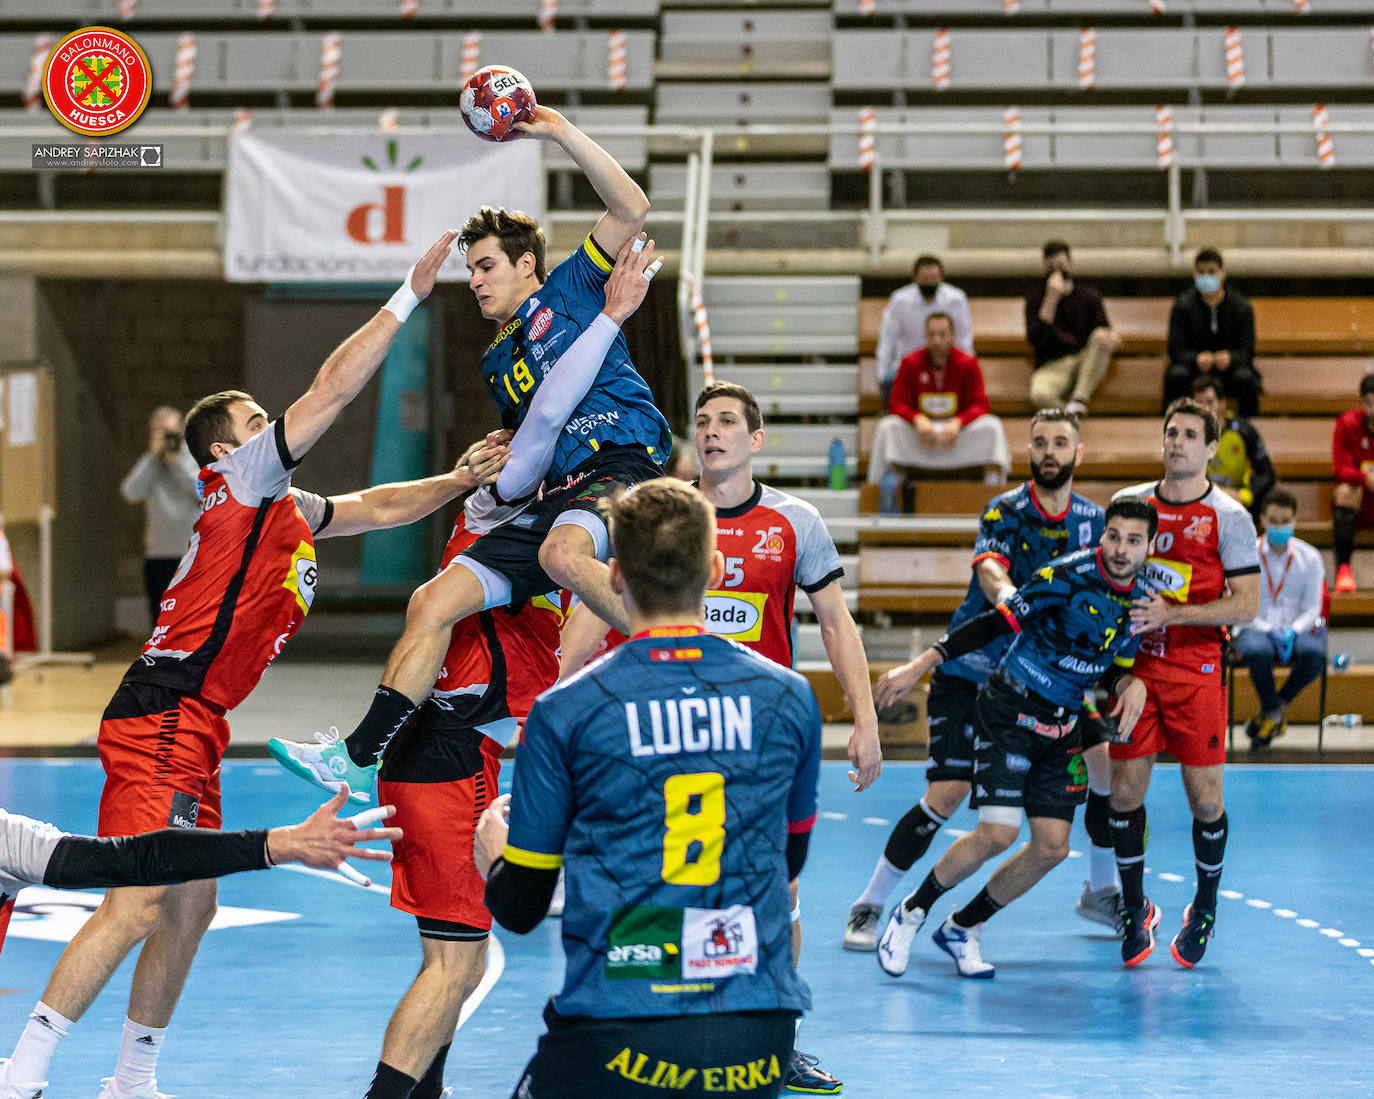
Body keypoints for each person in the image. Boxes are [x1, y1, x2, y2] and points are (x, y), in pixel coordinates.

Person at [0, 232, 489, 1099]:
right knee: (137, 894)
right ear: (224, 453)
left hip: (198, 723)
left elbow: (375, 507)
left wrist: (461, 478)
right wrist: (407, 296)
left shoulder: (282, 507)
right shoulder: (244, 483)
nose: (273, 427)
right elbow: (333, 389)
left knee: (192, 904)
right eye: (258, 422)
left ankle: (131, 1081)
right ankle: (22, 1072)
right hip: (162, 712)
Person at [269, 106, 674, 802]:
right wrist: (496, 464)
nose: (476, 279)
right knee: (432, 600)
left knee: (559, 556)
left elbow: (632, 205)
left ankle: (676, 650)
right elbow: (537, 440)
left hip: (623, 461)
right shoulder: (497, 362)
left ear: (527, 265)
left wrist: (558, 132)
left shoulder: (574, 285)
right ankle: (360, 756)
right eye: (470, 269)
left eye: (487, 265)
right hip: (560, 491)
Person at [357, 235, 665, 1099]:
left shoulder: (517, 537)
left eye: (488, 266)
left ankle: (429, 1089)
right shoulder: (490, 524)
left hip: (478, 751)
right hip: (445, 753)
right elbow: (518, 448)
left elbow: (543, 435)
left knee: (455, 956)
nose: (508, 459)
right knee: (455, 964)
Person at [557, 380, 882, 1096]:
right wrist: (555, 692)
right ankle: (643, 1024)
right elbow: (590, 609)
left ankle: (777, 1036)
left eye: (727, 421)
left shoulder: (794, 522)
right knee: (651, 881)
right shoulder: (659, 515)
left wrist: (864, 719)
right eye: (702, 421)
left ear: (756, 439)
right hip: (660, 737)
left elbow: (836, 623)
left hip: (753, 742)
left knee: (777, 890)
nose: (711, 431)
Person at [476, 479, 822, 1099]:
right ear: (715, 569)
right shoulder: (789, 696)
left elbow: (521, 908)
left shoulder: (566, 710)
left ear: (613, 575)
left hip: (621, 1026)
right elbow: (790, 858)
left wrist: (495, 857)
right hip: (757, 1035)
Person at [846, 410, 1120, 952]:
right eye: (1039, 442)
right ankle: (872, 902)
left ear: (1078, 454)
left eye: (1060, 443)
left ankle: (1103, 889)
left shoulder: (1095, 523)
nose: (1049, 451)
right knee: (947, 794)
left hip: (1045, 687)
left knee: (1105, 764)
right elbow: (990, 565)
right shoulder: (1006, 509)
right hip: (973, 673)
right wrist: (1010, 597)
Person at [869, 497, 1157, 979]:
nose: (1121, 549)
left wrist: (1133, 686)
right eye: (1114, 536)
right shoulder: (1065, 576)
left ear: (1149, 547)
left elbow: (1120, 670)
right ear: (1101, 534)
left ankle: (963, 926)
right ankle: (911, 913)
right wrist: (919, 666)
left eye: (1133, 540)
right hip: (1011, 709)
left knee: (1052, 847)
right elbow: (990, 624)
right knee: (998, 833)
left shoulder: (1142, 601)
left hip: (1062, 724)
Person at [0, 789, 398, 1098]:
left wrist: (279, 844)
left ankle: (58, 1081)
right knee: (136, 904)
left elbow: (137, 859)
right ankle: (20, 1080)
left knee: (186, 900)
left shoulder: (8, 840)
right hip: (165, 715)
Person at [1110, 398, 1260, 969]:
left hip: (1198, 672)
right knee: (1124, 794)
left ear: (1210, 448)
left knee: (1206, 800)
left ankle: (1205, 904)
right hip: (1138, 671)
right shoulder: (1135, 505)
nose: (1176, 442)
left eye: (1189, 435)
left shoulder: (1228, 516)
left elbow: (1246, 605)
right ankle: (1132, 907)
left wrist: (1171, 616)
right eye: (1170, 431)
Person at [866, 313, 1010, 487]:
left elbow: (980, 404)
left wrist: (959, 422)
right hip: (922, 430)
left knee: (992, 426)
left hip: (956, 431)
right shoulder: (910, 363)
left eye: (942, 334)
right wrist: (916, 419)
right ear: (925, 336)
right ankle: (886, 486)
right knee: (888, 426)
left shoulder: (968, 363)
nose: (937, 340)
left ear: (952, 336)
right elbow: (896, 403)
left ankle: (993, 487)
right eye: (932, 335)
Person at [1233, 487, 1327, 749]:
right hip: (1254, 625)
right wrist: (1266, 629)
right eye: (1274, 521)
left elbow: (1312, 608)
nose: (1280, 526)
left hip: (1296, 627)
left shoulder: (1310, 558)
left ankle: (1272, 710)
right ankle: (1273, 712)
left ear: (1295, 520)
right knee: (1256, 650)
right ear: (1262, 518)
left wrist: (1293, 630)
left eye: (1285, 522)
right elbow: (1238, 601)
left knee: (1316, 654)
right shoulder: (1245, 554)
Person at [119, 407, 202, 628]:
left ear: (182, 431)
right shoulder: (150, 465)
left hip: (191, 553)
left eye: (170, 432)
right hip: (158, 553)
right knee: (160, 618)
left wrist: (176, 462)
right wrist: (151, 458)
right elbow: (130, 492)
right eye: (160, 432)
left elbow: (201, 492)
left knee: (191, 617)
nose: (166, 438)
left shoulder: (192, 458)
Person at [1025, 240, 1121, 416]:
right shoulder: (1035, 298)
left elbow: (1104, 330)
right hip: (1053, 365)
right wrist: (1051, 300)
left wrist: (1112, 339)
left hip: (1085, 361)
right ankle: (1071, 415)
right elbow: (1035, 340)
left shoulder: (1089, 295)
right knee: (1039, 394)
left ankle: (1079, 399)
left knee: (1101, 336)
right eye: (1051, 267)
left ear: (1070, 263)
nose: (1057, 272)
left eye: (1061, 265)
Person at [1164, 248, 1259, 418]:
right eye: (1201, 272)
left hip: (1228, 372)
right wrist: (1195, 359)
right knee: (1176, 376)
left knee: (1246, 378)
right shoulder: (1182, 306)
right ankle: (1174, 426)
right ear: (1194, 275)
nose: (1206, 277)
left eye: (1211, 272)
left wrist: (1231, 358)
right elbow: (1175, 349)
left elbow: (1248, 350)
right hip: (1195, 372)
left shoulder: (1241, 306)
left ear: (1222, 274)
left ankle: (1247, 429)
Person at [874, 255, 974, 409]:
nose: (929, 283)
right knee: (889, 381)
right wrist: (881, 375)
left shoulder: (956, 299)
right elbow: (887, 341)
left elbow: (964, 340)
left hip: (947, 364)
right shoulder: (900, 301)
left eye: (933, 278)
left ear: (941, 278)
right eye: (925, 279)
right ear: (915, 279)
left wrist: (968, 367)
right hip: (909, 366)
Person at [1191, 375, 1275, 522]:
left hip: (1240, 501)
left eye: (1210, 402)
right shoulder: (1189, 436)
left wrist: (1245, 495)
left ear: (1222, 403)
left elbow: (1267, 474)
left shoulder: (1244, 431)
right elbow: (1186, 476)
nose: (1205, 409)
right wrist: (1216, 494)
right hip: (1205, 501)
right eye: (1199, 403)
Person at [1331, 373, 1374, 594]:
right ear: (1361, 402)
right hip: (1361, 500)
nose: (1373, 409)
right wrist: (1365, 479)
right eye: (1369, 403)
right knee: (1346, 491)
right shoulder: (1348, 424)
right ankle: (1344, 568)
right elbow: (1341, 468)